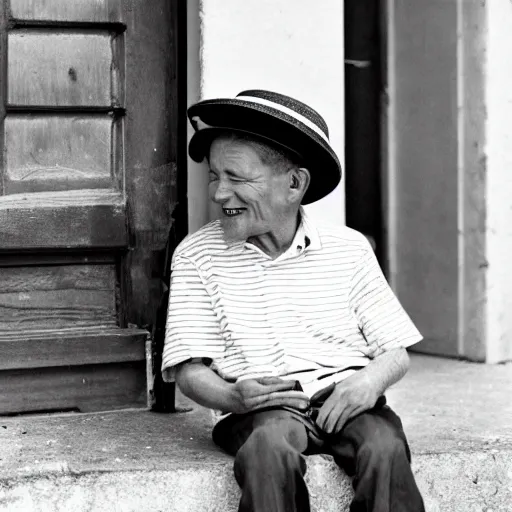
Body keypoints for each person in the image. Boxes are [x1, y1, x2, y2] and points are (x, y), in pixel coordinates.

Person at [162, 89, 425, 512]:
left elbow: (395, 353)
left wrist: (368, 382)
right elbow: (189, 371)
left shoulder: (348, 248)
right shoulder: (198, 255)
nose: (218, 194)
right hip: (261, 410)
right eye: (215, 176)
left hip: (347, 398)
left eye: (237, 178)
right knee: (268, 450)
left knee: (385, 447)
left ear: (294, 184)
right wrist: (233, 398)